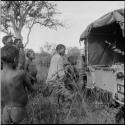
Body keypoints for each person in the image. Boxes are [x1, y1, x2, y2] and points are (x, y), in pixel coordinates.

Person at [1, 45, 35, 124]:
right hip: (18, 110)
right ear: (15, 59)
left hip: (5, 110)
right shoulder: (20, 74)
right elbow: (31, 89)